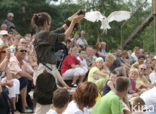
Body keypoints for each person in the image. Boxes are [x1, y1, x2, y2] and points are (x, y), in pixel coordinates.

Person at [31, 11, 84, 114]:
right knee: (44, 101)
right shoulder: (44, 34)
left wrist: (73, 17)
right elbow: (64, 36)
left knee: (48, 100)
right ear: (47, 22)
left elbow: (61, 29)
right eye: (50, 21)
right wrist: (73, 23)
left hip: (47, 70)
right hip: (45, 71)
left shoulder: (44, 34)